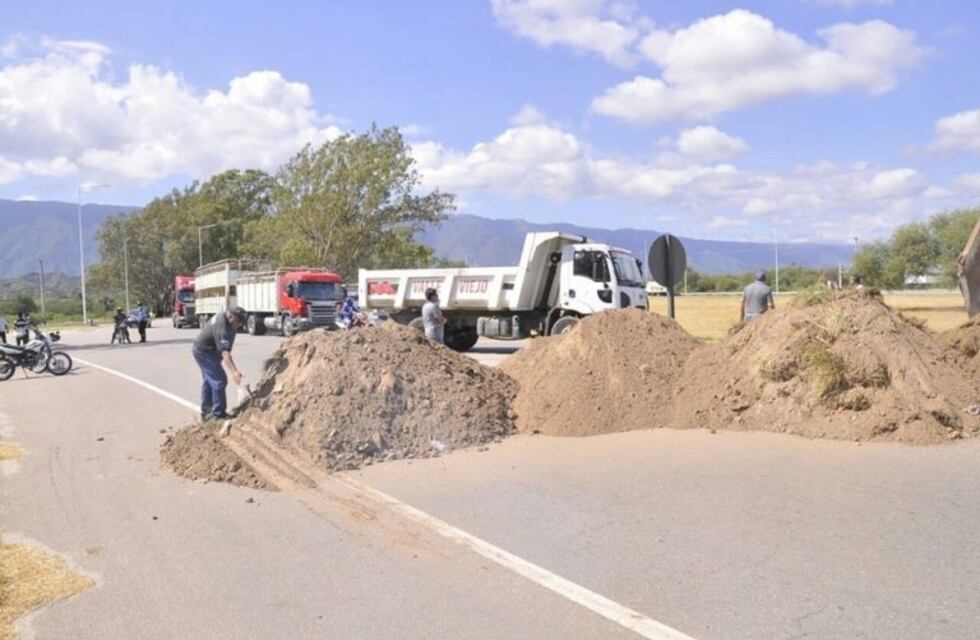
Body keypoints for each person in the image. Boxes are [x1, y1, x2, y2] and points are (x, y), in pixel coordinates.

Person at [192, 306, 245, 421]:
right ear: (231, 317)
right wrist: (234, 372)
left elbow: (226, 347)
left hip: (210, 351)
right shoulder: (222, 325)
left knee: (209, 381)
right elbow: (225, 352)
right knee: (219, 380)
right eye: (238, 321)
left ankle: (206, 414)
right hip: (204, 351)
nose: (240, 325)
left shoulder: (229, 322)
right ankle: (218, 414)